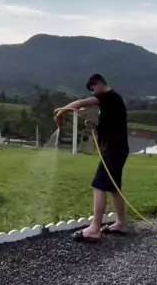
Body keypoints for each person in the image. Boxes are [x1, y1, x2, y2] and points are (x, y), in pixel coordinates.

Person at [54, 73, 129, 242]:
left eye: (93, 88)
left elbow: (81, 103)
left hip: (113, 150)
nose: (93, 92)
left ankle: (94, 229)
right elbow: (112, 126)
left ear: (100, 83)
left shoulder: (109, 96)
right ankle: (121, 223)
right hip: (118, 149)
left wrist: (61, 112)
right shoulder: (113, 100)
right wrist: (95, 126)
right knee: (114, 187)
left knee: (98, 185)